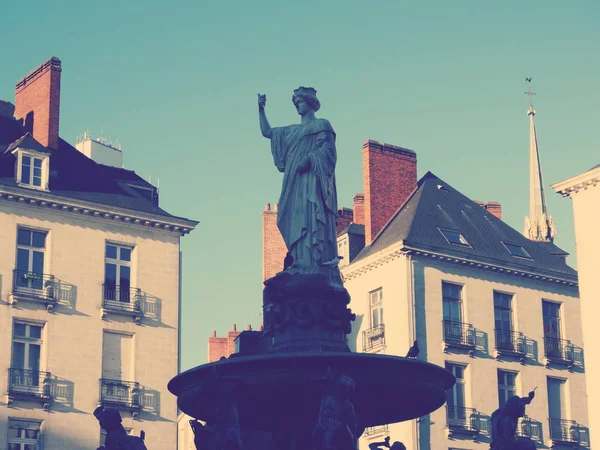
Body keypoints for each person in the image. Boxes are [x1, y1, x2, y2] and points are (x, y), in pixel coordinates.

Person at [258, 87, 339, 274]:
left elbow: (329, 152)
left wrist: (310, 159)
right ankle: (298, 259)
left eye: (299, 102)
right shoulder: (292, 130)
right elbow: (268, 132)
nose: (297, 106)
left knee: (309, 217)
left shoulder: (322, 125)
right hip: (293, 182)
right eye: (295, 103)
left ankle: (311, 261)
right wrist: (261, 110)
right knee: (289, 216)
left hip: (311, 181)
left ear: (310, 103)